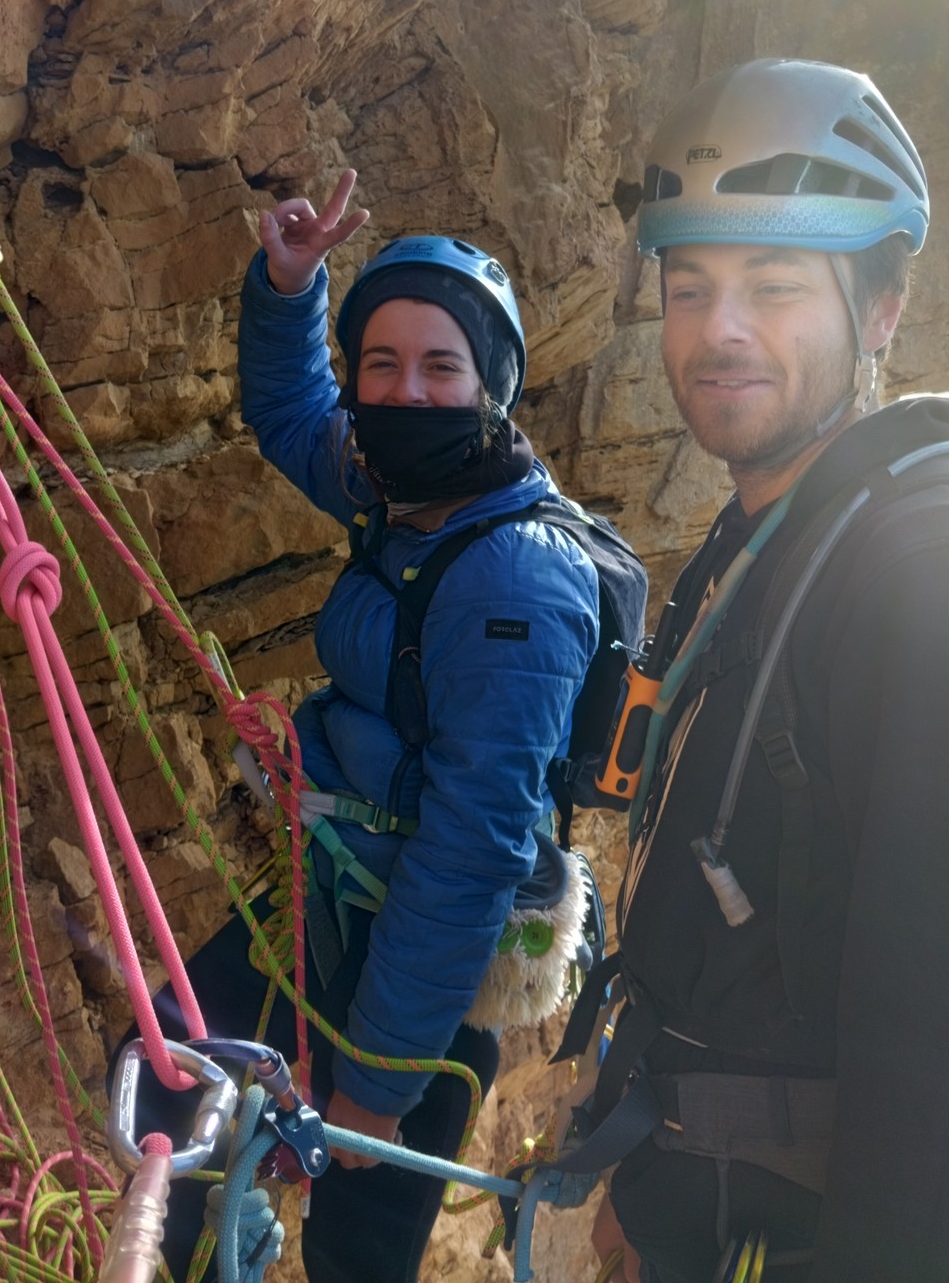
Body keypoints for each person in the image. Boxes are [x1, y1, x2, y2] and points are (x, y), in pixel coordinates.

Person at [586, 60, 949, 1282]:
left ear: (881, 307)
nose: (719, 329)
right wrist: (643, 1179)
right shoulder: (771, 543)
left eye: (774, 285)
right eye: (689, 287)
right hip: (702, 1212)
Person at [117, 171, 603, 1283]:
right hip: (334, 905)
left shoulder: (514, 580)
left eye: (440, 366)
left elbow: (470, 848)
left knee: (354, 1252)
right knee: (162, 1097)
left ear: (492, 387)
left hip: (424, 982)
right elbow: (295, 415)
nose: (405, 392)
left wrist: (377, 1088)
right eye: (380, 364)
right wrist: (292, 289)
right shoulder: (403, 489)